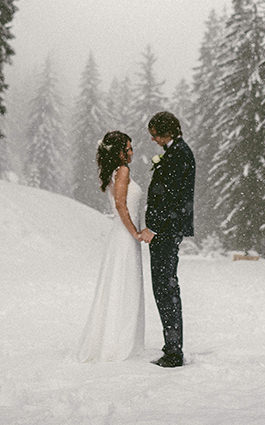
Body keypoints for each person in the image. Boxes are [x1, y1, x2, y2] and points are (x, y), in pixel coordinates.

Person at [77, 131, 146, 362]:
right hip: (124, 236)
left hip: (121, 235)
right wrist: (135, 232)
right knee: (124, 285)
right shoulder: (123, 171)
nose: (131, 152)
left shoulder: (114, 172)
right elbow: (121, 205)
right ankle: (119, 342)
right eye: (128, 148)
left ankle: (113, 337)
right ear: (119, 152)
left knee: (119, 285)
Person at [137, 111, 195, 368]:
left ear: (167, 132)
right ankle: (172, 345)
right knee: (164, 287)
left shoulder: (179, 155)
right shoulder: (176, 153)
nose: (152, 139)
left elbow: (169, 198)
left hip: (166, 231)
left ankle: (173, 351)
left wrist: (153, 227)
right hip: (168, 229)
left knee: (165, 288)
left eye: (155, 134)